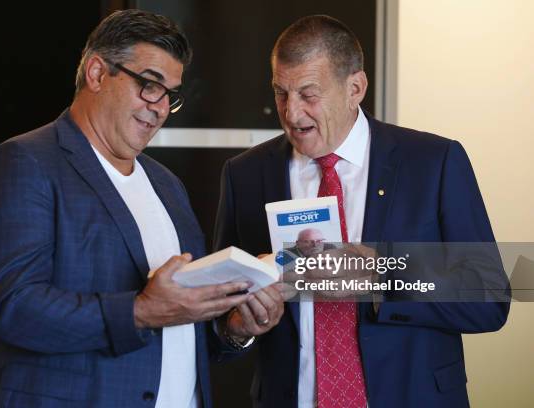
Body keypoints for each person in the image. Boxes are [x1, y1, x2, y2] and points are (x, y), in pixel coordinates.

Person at [0, 9, 281, 408]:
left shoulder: (167, 186)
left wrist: (234, 328)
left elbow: (181, 325)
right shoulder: (23, 163)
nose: (161, 108)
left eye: (171, 94)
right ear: (97, 73)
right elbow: (14, 310)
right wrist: (140, 312)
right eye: (150, 85)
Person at [213, 15, 510, 408]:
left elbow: (489, 298)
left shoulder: (433, 162)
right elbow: (220, 320)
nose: (292, 113)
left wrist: (383, 275)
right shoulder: (246, 174)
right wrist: (238, 328)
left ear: (355, 87)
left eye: (308, 94)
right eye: (281, 93)